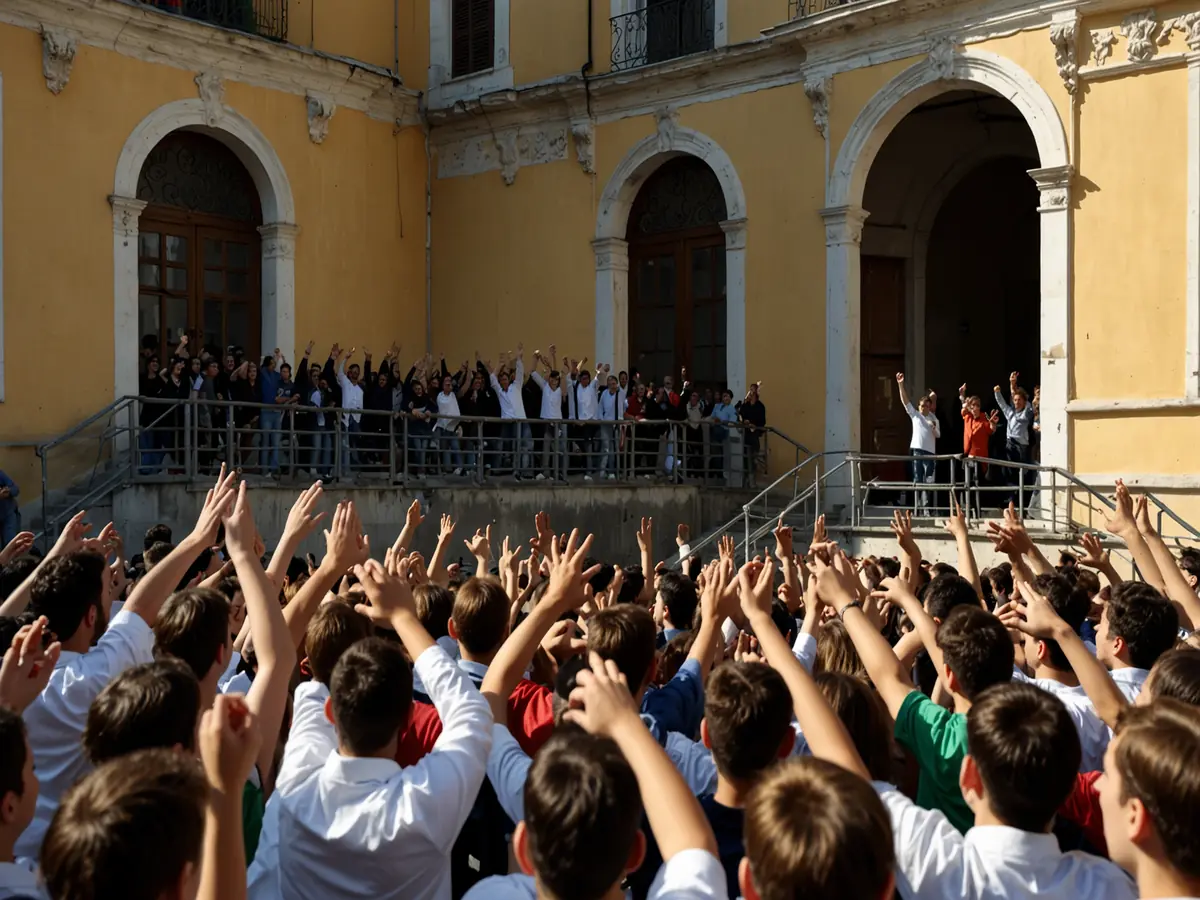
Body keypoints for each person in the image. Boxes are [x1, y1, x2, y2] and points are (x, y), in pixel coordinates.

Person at [896, 373, 940, 516]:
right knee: (917, 481)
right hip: (917, 451)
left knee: (928, 483)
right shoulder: (915, 415)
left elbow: (939, 435)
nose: (923, 408)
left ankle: (926, 510)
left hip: (930, 454)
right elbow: (905, 401)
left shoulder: (934, 419)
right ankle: (916, 510)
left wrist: (933, 428)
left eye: (926, 406)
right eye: (921, 406)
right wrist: (900, 384)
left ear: (930, 407)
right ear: (919, 406)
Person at [488, 345, 532, 480]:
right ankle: (499, 470)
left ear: (509, 380)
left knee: (524, 447)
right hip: (507, 423)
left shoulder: (516, 387)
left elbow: (520, 373)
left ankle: (523, 472)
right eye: (502, 380)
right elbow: (492, 378)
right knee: (503, 446)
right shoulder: (500, 392)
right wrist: (498, 365)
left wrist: (519, 358)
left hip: (521, 421)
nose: (503, 381)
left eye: (505, 379)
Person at [994, 371, 1037, 506]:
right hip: (1010, 445)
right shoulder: (1010, 413)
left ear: (1024, 402)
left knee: (1022, 475)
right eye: (1015, 400)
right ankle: (1011, 499)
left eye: (1019, 400)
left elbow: (1028, 408)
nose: (1017, 402)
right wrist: (997, 392)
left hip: (1021, 448)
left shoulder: (1025, 414)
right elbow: (1002, 404)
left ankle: (1021, 501)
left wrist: (1014, 386)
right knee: (1008, 473)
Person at [529, 350, 566, 482]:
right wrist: (536, 358)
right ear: (549, 379)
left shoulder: (560, 390)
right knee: (546, 449)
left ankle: (558, 473)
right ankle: (545, 472)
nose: (554, 380)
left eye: (556, 379)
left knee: (557, 450)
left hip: (557, 423)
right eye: (552, 378)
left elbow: (557, 372)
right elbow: (532, 372)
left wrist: (554, 356)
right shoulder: (544, 387)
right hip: (546, 422)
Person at [0, 476, 17, 549]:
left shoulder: (1, 475)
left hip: (7, 514)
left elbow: (15, 489)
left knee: (10, 541)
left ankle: (11, 559)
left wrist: (9, 491)